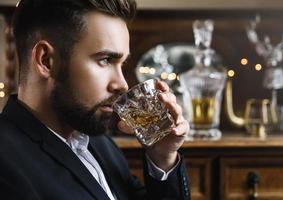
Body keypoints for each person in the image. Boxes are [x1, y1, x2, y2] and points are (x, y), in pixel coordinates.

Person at [0, 0, 191, 199]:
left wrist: (162, 158)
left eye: (122, 64)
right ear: (46, 60)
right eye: (105, 60)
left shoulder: (101, 144)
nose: (123, 84)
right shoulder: (5, 162)